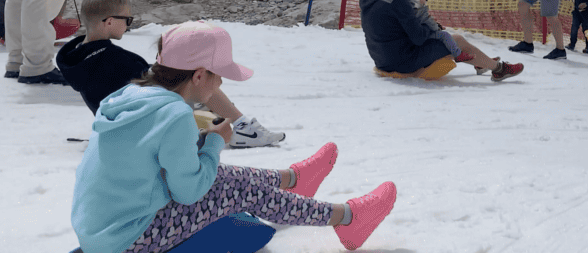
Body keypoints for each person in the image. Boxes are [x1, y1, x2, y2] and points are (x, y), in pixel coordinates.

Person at [70, 21, 396, 253]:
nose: (221, 86)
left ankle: (291, 180)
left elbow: (154, 160)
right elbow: (189, 191)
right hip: (129, 241)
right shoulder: (173, 114)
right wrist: (215, 141)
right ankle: (347, 218)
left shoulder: (128, 97)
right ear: (199, 75)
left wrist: (204, 146)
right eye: (218, 77)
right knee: (239, 191)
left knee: (219, 175)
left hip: (100, 230)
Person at [57, 0, 286, 144]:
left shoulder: (70, 56)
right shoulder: (118, 59)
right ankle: (245, 128)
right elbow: (160, 84)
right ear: (109, 22)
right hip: (143, 125)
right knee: (197, 75)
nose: (129, 25)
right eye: (127, 20)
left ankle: (223, 120)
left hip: (113, 121)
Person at [362, 0, 523, 81]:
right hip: (402, 61)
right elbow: (418, 38)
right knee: (456, 39)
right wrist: (433, 28)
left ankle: (483, 63)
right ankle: (499, 69)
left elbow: (391, 26)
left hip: (382, 59)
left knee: (447, 39)